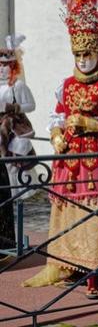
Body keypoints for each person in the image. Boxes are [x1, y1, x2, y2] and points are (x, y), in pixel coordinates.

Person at [23, 0, 98, 299]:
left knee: (93, 210)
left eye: (89, 54)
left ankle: (95, 272)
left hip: (95, 159)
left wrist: (89, 122)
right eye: (78, 55)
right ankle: (62, 264)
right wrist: (55, 135)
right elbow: (55, 114)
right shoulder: (66, 85)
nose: (83, 60)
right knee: (66, 209)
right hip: (68, 159)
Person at [0, 33, 36, 256]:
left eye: (6, 66)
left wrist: (13, 108)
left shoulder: (18, 85)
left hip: (13, 128)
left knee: (11, 168)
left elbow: (31, 105)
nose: (2, 70)